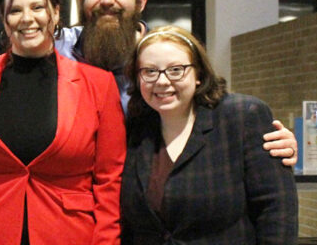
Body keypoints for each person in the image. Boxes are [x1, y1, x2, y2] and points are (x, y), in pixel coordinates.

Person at [56, 0, 300, 165]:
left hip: (149, 189)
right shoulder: (57, 50)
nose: (107, 1)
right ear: (82, 0)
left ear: (141, 1)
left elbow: (210, 106)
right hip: (79, 200)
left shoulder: (171, 55)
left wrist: (265, 141)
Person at [0, 0, 126, 245]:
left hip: (71, 234)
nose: (27, 18)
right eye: (15, 10)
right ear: (4, 19)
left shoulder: (98, 84)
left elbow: (109, 180)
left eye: (37, 7)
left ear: (55, 13)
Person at [120, 25, 297, 243]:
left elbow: (277, 210)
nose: (162, 81)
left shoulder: (241, 116)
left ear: (199, 75)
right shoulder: (134, 129)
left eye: (176, 70)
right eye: (149, 71)